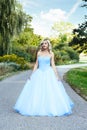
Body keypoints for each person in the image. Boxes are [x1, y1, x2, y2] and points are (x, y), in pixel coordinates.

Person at [13, 39, 74, 116]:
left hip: (49, 73)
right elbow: (36, 64)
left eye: (46, 43)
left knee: (50, 90)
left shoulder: (51, 53)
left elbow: (53, 65)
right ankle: (35, 107)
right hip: (39, 73)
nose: (44, 45)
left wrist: (57, 76)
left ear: (48, 45)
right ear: (41, 45)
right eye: (43, 44)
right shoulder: (39, 53)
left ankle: (52, 108)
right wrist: (32, 74)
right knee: (37, 90)